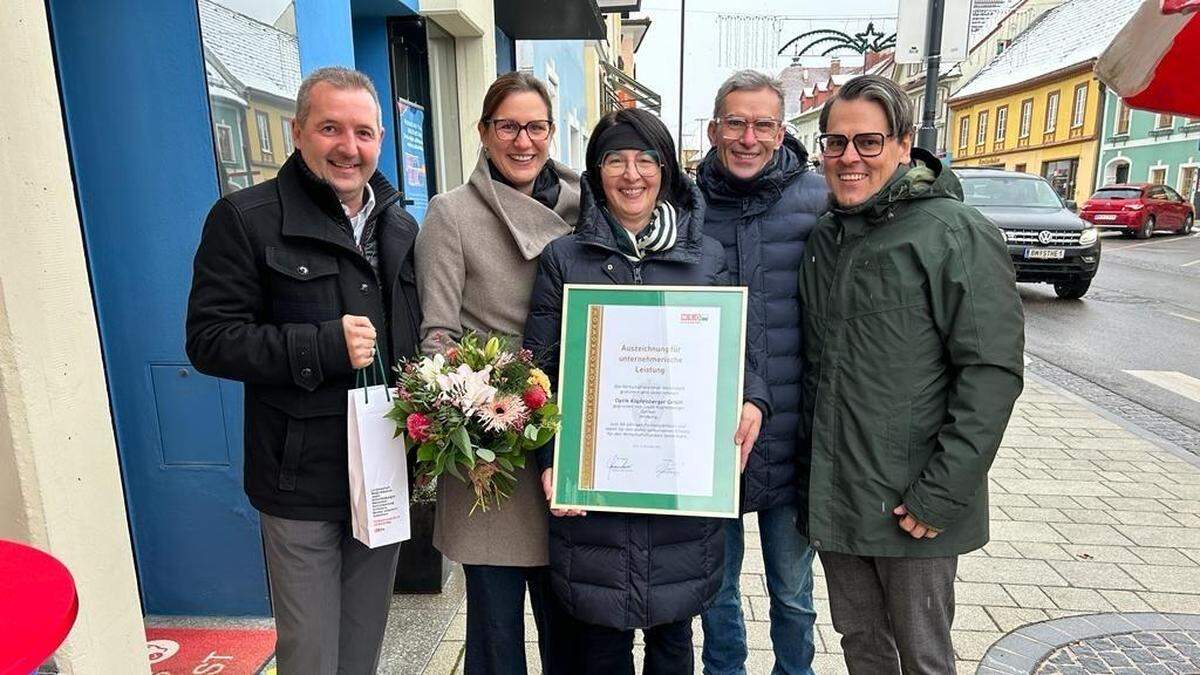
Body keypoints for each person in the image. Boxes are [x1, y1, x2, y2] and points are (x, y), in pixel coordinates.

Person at [185, 66, 421, 674]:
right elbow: (210, 341)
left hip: (384, 468)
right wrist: (319, 345)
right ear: (297, 132)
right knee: (311, 654)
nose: (349, 147)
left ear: (381, 142)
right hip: (300, 481)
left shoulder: (399, 224)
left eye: (364, 132)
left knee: (362, 646)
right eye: (330, 128)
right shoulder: (245, 218)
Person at [522, 107, 770, 675]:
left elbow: (745, 350)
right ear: (595, 172)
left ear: (666, 171)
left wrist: (753, 399)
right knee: (600, 643)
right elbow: (540, 372)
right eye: (615, 160)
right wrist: (550, 460)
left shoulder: (707, 258)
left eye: (645, 159)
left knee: (673, 638)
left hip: (679, 488)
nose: (631, 174)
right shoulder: (565, 259)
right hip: (594, 494)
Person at [798, 74, 1025, 674]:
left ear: (904, 145)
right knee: (862, 646)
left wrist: (941, 494)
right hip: (840, 493)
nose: (850, 158)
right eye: (836, 143)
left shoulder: (952, 232)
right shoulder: (827, 235)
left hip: (912, 503)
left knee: (923, 656)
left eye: (868, 142)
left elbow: (992, 371)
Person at [414, 71, 581, 675]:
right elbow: (437, 335)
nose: (523, 140)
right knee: (495, 635)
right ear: (483, 133)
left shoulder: (587, 205)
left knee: (572, 628)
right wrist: (480, 403)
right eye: (507, 126)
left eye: (536, 127)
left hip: (572, 445)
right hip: (495, 454)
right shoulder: (451, 215)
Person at [696, 69, 827, 675]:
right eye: (736, 123)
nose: (748, 137)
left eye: (763, 124)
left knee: (793, 593)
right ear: (714, 128)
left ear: (782, 132)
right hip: (711, 431)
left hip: (793, 432)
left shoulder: (819, 200)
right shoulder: (683, 202)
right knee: (715, 589)